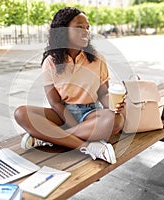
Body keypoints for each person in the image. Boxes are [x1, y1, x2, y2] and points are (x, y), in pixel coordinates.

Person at [14, 7, 125, 164]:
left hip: (91, 112)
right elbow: (55, 102)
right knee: (21, 113)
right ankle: (87, 146)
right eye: (79, 27)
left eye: (87, 27)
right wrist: (71, 122)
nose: (86, 31)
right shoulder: (50, 62)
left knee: (116, 120)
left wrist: (115, 105)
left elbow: (103, 94)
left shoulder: (97, 59)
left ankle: (49, 136)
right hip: (62, 112)